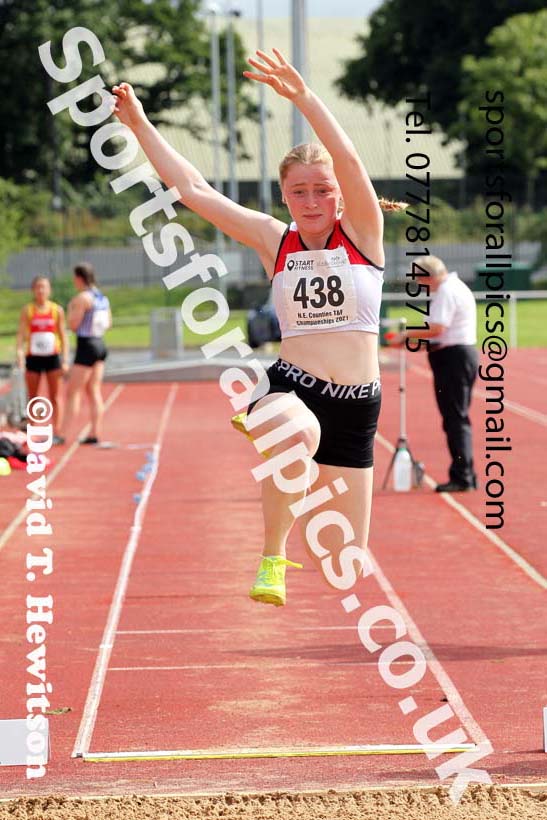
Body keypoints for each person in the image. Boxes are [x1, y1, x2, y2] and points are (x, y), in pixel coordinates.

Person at [112, 49, 404, 606]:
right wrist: (141, 126)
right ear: (284, 197)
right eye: (299, 192)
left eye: (322, 190)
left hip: (357, 404)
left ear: (339, 195)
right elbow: (194, 191)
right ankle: (273, 555)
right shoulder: (276, 240)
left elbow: (349, 159)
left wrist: (303, 98)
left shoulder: (363, 234)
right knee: (293, 432)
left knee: (345, 565)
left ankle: (295, 482)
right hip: (294, 386)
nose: (312, 200)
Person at [387, 255, 478, 492]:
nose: (420, 284)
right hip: (455, 354)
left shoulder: (447, 291)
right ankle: (465, 473)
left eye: (420, 279)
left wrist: (407, 335)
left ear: (426, 276)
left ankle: (463, 476)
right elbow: (439, 334)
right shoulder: (453, 288)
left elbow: (438, 328)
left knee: (455, 418)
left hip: (453, 358)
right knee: (456, 418)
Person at [55, 263, 112, 446]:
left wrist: (71, 308)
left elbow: (73, 325)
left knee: (72, 391)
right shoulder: (102, 297)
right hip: (100, 344)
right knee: (93, 390)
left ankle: (62, 433)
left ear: (79, 278)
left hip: (86, 346)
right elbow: (108, 323)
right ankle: (95, 432)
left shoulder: (82, 298)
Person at [15, 275, 69, 444]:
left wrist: (66, 359)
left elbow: (63, 335)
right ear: (33, 290)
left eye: (44, 287)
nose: (41, 290)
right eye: (38, 287)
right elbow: (21, 335)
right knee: (34, 397)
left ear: (49, 290)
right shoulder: (28, 310)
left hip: (52, 357)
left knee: (55, 397)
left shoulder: (56, 310)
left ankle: (57, 432)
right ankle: (33, 429)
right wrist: (19, 353)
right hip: (33, 357)